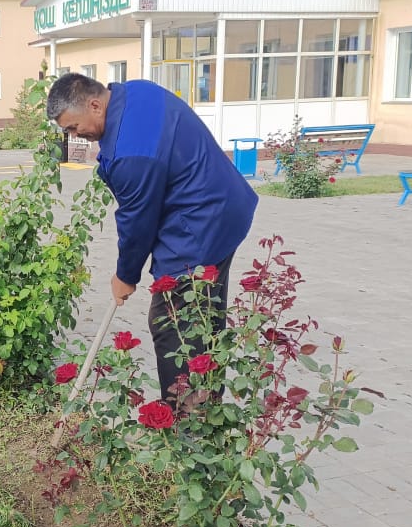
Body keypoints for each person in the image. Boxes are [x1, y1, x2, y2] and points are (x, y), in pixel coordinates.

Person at [46, 73, 258, 406]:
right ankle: (209, 414)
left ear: (95, 104)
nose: (75, 136)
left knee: (172, 322)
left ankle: (189, 431)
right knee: (204, 322)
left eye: (73, 127)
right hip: (224, 209)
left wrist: (125, 276)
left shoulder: (129, 154)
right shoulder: (136, 91)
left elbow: (137, 223)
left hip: (198, 227)